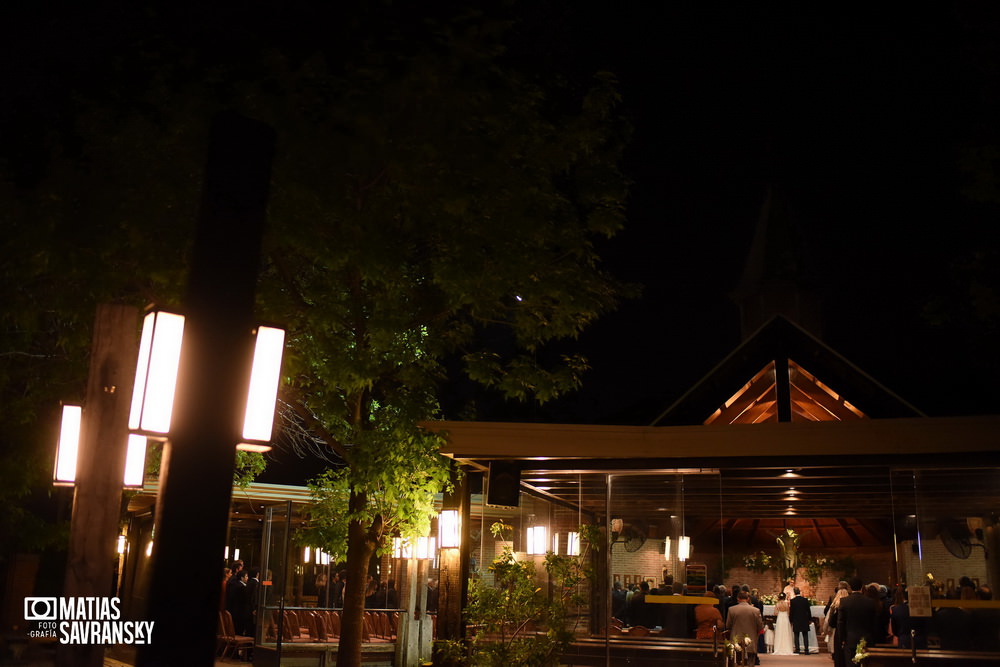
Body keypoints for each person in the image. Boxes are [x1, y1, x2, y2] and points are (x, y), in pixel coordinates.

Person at [837, 576, 878, 667]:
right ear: (862, 587)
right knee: (866, 663)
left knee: (851, 663)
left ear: (850, 587)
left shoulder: (844, 601)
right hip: (866, 638)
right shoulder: (870, 602)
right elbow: (874, 622)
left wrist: (842, 639)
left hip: (850, 638)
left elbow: (840, 622)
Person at [725, 590, 764, 662]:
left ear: (738, 598)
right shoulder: (756, 610)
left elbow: (728, 625)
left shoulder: (732, 610)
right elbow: (760, 626)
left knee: (736, 661)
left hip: (736, 639)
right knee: (750, 661)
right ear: (748, 599)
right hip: (750, 640)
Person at [789, 586, 813, 654]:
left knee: (796, 635)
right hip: (804, 619)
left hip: (796, 619)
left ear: (794, 592)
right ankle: (806, 650)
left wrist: (791, 620)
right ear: (799, 592)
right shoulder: (805, 600)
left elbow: (792, 612)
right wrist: (810, 619)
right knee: (805, 635)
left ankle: (797, 649)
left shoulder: (793, 601)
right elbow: (808, 610)